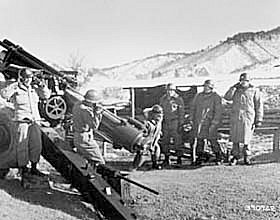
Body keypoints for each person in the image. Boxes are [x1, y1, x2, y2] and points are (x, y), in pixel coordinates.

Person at [0, 68, 51, 179]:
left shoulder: (34, 88)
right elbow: (4, 94)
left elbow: (46, 95)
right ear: (22, 78)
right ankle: (23, 168)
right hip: (22, 121)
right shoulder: (16, 88)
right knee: (22, 145)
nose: (29, 80)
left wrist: (42, 86)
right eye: (27, 77)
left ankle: (34, 167)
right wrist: (15, 85)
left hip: (35, 121)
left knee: (36, 144)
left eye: (30, 77)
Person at [224, 73, 263, 165]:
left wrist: (259, 119)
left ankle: (247, 156)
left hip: (248, 118)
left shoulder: (254, 91)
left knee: (246, 139)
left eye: (245, 81)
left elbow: (259, 106)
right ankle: (235, 156)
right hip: (236, 117)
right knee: (235, 139)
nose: (243, 83)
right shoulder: (236, 90)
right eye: (241, 81)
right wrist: (233, 88)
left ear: (248, 81)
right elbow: (227, 97)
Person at [189, 80, 223, 165]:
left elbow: (218, 111)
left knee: (213, 140)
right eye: (204, 86)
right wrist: (191, 119)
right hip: (199, 122)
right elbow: (193, 108)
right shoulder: (198, 96)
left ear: (211, 87)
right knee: (200, 140)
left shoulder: (216, 97)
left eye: (207, 86)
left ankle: (219, 156)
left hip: (210, 123)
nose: (205, 88)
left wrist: (215, 122)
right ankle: (200, 157)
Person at [72, 89, 105, 169]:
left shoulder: (77, 104)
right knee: (99, 160)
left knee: (83, 161)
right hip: (84, 138)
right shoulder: (85, 110)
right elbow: (94, 126)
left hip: (78, 136)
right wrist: (97, 114)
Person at [159, 83, 185, 166]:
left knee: (177, 141)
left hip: (175, 122)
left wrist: (180, 124)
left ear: (174, 90)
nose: (169, 92)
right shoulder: (163, 99)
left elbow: (181, 113)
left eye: (171, 90)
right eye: (168, 90)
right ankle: (167, 158)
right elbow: (160, 111)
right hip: (165, 122)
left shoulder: (178, 99)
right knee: (165, 141)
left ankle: (179, 159)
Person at [132, 104, 163, 170]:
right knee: (141, 153)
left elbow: (158, 131)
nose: (159, 115)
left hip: (154, 141)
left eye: (160, 113)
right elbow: (142, 132)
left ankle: (155, 163)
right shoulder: (147, 123)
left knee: (157, 149)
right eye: (157, 113)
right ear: (153, 113)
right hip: (146, 142)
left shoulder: (159, 122)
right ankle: (135, 167)